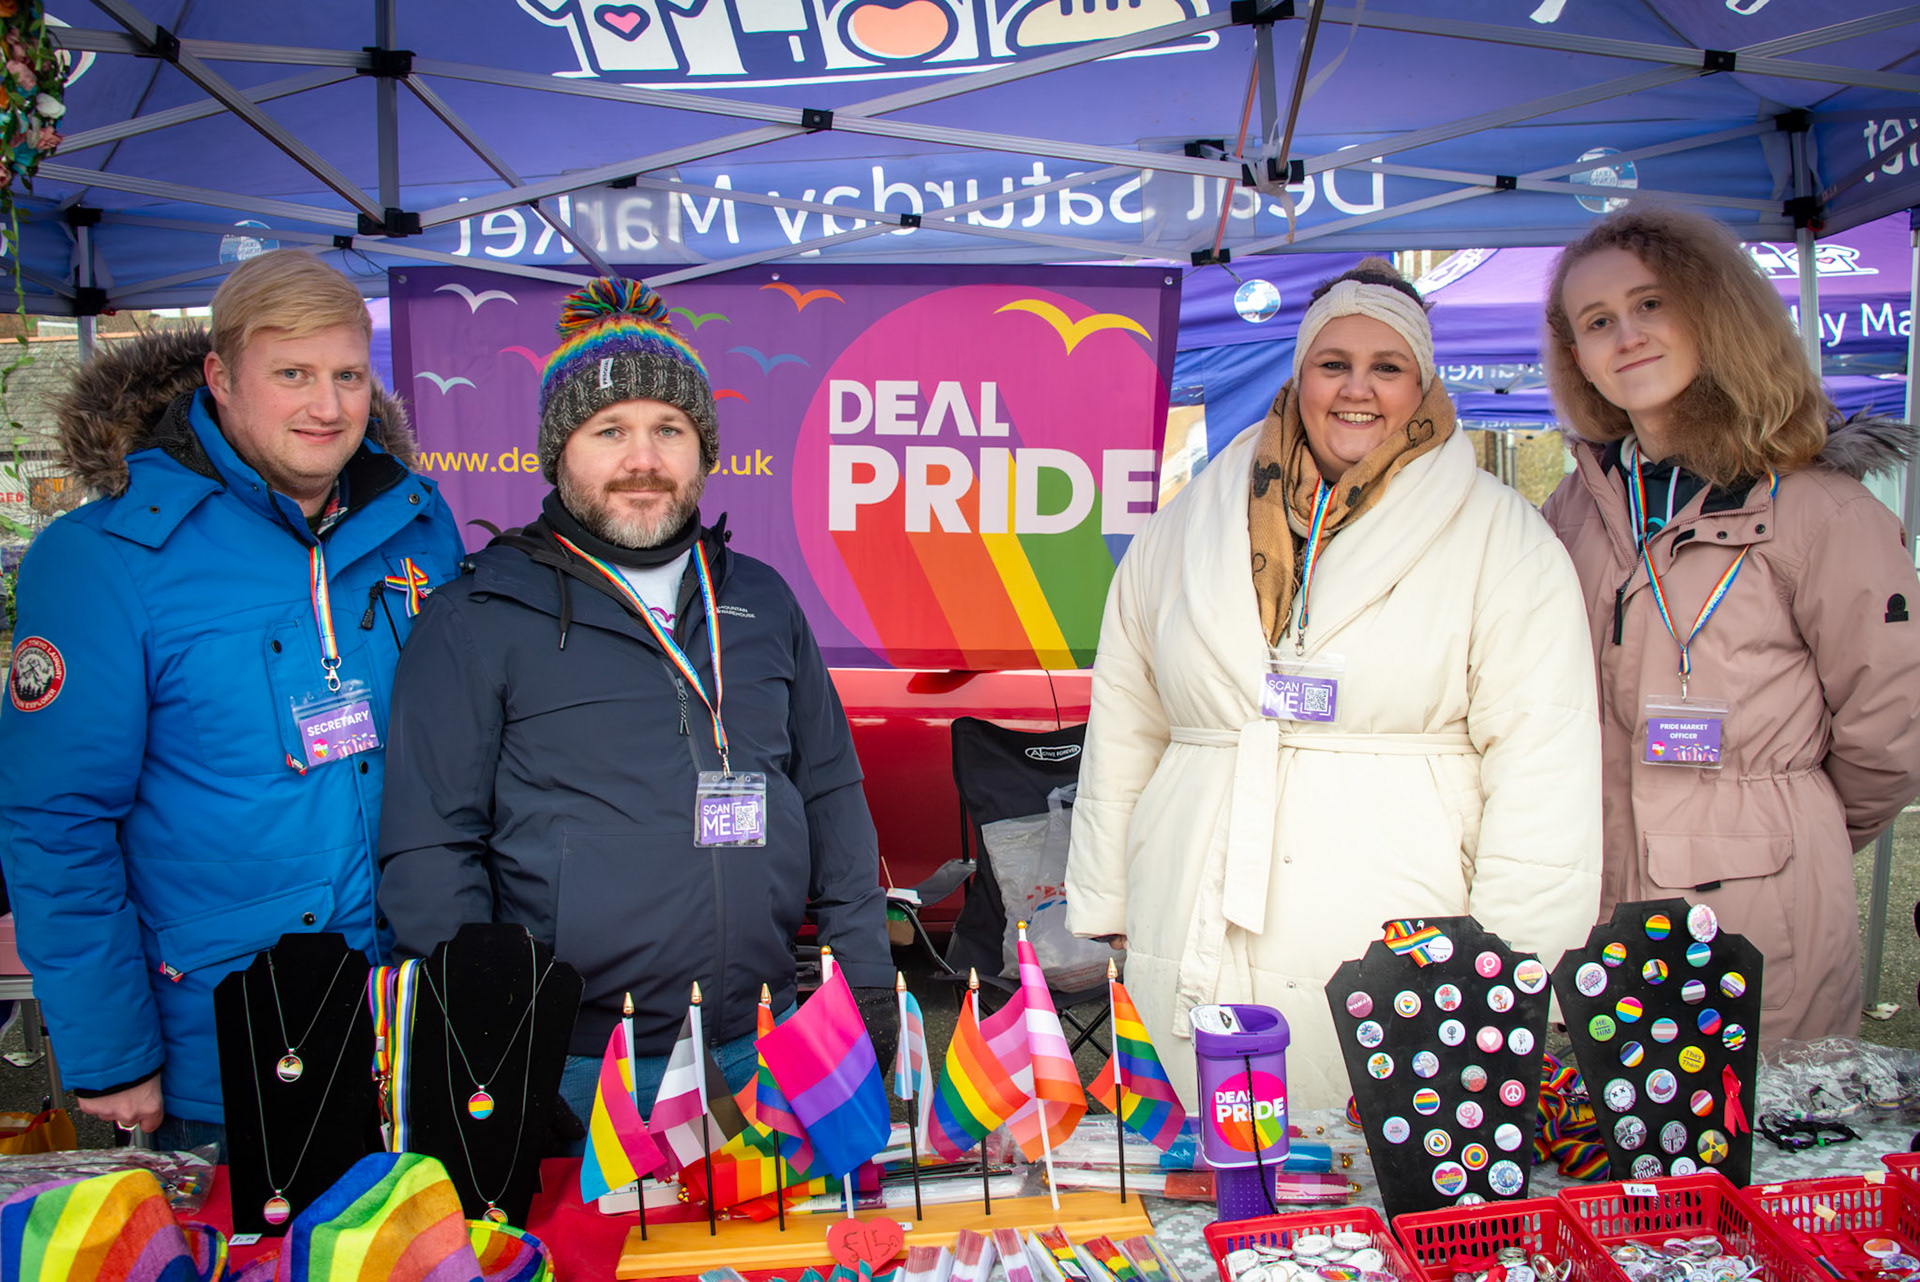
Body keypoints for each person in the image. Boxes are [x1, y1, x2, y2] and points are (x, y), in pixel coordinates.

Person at [1065, 258, 1603, 1112]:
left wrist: (1509, 954)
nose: (1359, 389)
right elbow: (1128, 715)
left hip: (1398, 912)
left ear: (1421, 385)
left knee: (1367, 1164)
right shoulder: (1188, 522)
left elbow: (1544, 753)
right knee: (1208, 1158)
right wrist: (1110, 893)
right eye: (1333, 363)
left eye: (1387, 367)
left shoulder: (1505, 540)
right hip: (1191, 888)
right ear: (1300, 374)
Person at [377, 278, 892, 1129]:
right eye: (608, 431)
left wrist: (864, 978)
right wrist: (490, 1038)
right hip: (581, 1064)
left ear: (703, 450)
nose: (642, 460)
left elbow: (832, 793)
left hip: (762, 1039)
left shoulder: (760, 600)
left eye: (669, 430)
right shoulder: (478, 617)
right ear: (559, 452)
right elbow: (431, 849)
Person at [0, 250, 464, 1150]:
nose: (326, 407)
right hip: (227, 1052)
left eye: (347, 376)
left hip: (417, 1029)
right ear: (219, 378)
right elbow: (58, 823)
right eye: (292, 375)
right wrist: (111, 1054)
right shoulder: (105, 559)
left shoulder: (416, 522)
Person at [1540, 207, 1920, 1042]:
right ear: (1577, 356)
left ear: (1714, 311)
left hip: (1760, 914)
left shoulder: (1821, 510)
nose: (1626, 336)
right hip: (1597, 908)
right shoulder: (1574, 508)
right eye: (1597, 322)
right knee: (1599, 1160)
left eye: (1651, 305)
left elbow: (1890, 736)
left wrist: (1778, 823)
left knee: (1754, 1159)